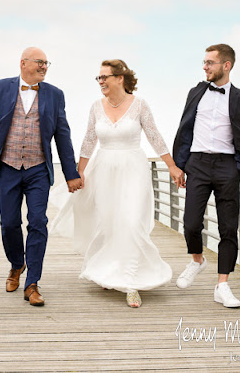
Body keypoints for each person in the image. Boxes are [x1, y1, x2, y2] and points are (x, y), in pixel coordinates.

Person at [50, 59, 185, 308]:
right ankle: (108, 271)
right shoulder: (96, 107)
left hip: (133, 169)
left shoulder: (140, 104)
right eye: (98, 78)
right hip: (102, 171)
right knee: (109, 223)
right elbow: (89, 141)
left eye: (105, 77)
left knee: (131, 222)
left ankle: (131, 283)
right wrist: (78, 173)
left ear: (120, 78)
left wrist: (172, 165)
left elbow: (154, 136)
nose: (101, 82)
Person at [0, 47, 82, 307]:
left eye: (46, 63)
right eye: (39, 62)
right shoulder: (0, 88)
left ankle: (33, 283)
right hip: (8, 167)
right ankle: (17, 264)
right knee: (8, 223)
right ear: (23, 63)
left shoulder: (55, 95)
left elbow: (63, 135)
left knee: (38, 221)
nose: (44, 67)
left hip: (39, 168)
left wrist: (71, 173)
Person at [172, 44, 240, 308]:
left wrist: (239, 166)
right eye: (205, 62)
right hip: (197, 163)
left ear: (226, 65)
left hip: (227, 166)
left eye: (210, 62)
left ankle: (222, 285)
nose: (205, 67)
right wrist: (180, 165)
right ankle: (197, 259)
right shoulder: (196, 92)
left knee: (228, 227)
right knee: (191, 223)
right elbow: (184, 127)